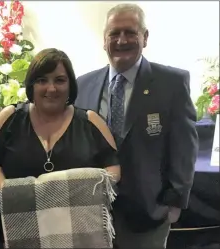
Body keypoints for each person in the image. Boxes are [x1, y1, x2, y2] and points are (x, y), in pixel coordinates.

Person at [74, 3, 198, 249]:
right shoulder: (83, 85)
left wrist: (173, 203)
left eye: (131, 32)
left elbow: (184, 146)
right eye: (114, 33)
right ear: (104, 40)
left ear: (145, 37)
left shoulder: (172, 83)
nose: (122, 40)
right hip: (93, 215)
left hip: (148, 215)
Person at [0, 48, 121, 243]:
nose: (51, 88)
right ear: (31, 84)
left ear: (70, 85)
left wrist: (78, 190)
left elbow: (113, 168)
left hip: (79, 233)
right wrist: (13, 193)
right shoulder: (9, 118)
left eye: (60, 80)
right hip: (20, 230)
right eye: (42, 80)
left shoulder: (91, 121)